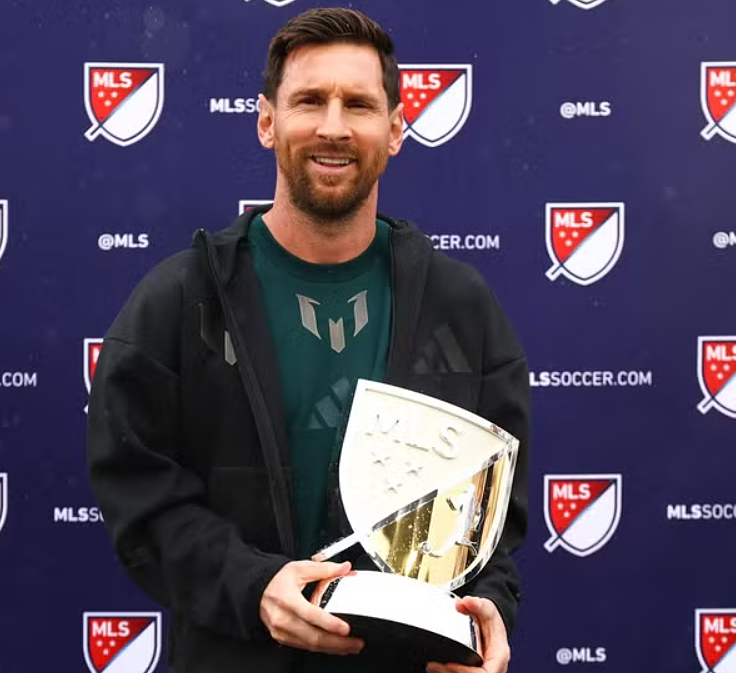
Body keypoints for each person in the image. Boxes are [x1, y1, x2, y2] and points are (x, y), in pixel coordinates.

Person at [86, 7, 530, 673]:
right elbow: (140, 499)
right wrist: (253, 586)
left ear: (396, 130)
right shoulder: (183, 300)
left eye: (359, 104)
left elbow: (492, 520)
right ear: (266, 121)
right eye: (309, 101)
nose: (333, 126)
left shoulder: (460, 309)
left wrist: (486, 607)